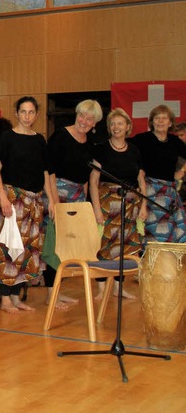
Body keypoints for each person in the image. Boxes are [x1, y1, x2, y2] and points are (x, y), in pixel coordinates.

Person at [0, 96, 54, 313]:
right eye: (23, 112)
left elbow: (45, 173)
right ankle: (5, 297)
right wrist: (3, 197)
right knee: (7, 248)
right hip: (12, 198)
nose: (27, 116)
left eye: (31, 112)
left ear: (36, 115)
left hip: (34, 201)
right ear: (16, 113)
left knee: (27, 249)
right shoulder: (6, 137)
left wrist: (51, 201)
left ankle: (16, 296)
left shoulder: (39, 140)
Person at [44, 100, 103, 308]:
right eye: (82, 115)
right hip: (57, 194)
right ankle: (51, 293)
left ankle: (59, 290)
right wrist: (53, 200)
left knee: (70, 246)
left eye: (90, 118)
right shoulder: (60, 136)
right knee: (55, 245)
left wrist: (85, 205)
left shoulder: (89, 143)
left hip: (78, 196)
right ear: (76, 114)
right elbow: (48, 171)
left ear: (95, 123)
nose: (84, 121)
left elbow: (86, 177)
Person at [89, 108, 147, 300]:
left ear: (127, 127)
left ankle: (118, 288)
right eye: (113, 124)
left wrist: (144, 206)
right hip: (107, 202)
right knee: (104, 244)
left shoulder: (135, 150)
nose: (116, 127)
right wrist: (96, 209)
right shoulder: (101, 148)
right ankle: (101, 288)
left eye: (120, 123)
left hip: (130, 204)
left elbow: (141, 180)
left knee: (123, 246)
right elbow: (94, 181)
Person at [131, 105, 186, 243]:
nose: (160, 121)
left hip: (170, 192)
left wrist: (183, 171)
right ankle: (155, 262)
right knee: (155, 231)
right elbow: (122, 149)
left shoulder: (174, 141)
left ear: (170, 122)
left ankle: (173, 263)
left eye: (164, 118)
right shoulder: (142, 139)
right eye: (157, 118)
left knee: (179, 230)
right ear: (152, 121)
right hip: (150, 191)